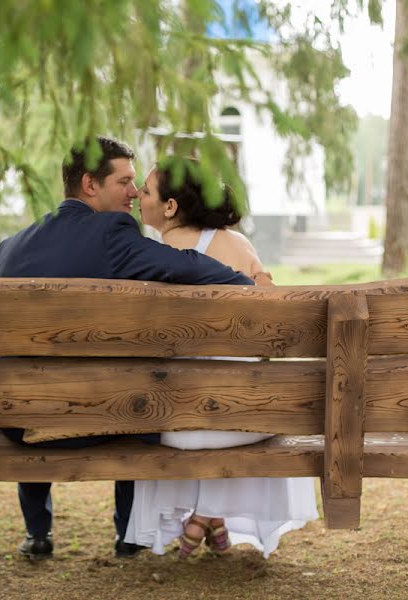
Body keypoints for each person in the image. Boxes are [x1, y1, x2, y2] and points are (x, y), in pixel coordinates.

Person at [0, 137, 254, 561]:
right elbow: (184, 264)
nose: (134, 192)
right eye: (125, 181)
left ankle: (38, 533)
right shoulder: (111, 233)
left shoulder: (10, 247)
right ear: (91, 185)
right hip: (99, 416)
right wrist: (247, 283)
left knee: (29, 378)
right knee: (133, 391)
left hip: (18, 421)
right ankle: (128, 534)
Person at [125, 157, 318, 558]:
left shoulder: (148, 256)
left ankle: (206, 515)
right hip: (245, 419)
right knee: (230, 392)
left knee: (185, 394)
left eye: (145, 190)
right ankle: (209, 516)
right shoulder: (237, 246)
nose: (137, 197)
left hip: (174, 425)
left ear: (170, 207)